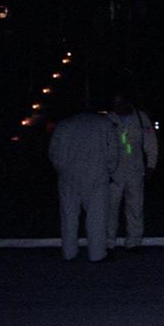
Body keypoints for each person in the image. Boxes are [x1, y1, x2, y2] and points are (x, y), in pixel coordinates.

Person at [48, 107, 121, 262]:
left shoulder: (65, 125)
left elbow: (54, 151)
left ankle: (69, 252)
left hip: (69, 174)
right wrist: (109, 169)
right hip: (96, 173)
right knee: (96, 216)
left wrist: (62, 169)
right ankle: (97, 254)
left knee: (69, 216)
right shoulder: (104, 124)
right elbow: (113, 150)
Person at [107, 92, 158, 250]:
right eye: (115, 104)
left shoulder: (141, 118)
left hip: (135, 168)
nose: (118, 107)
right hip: (113, 170)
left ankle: (134, 241)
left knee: (135, 206)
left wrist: (151, 165)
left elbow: (151, 143)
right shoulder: (108, 119)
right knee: (110, 207)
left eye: (121, 103)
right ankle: (108, 242)